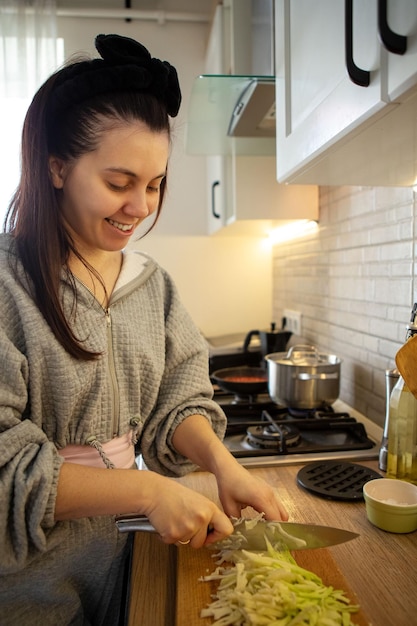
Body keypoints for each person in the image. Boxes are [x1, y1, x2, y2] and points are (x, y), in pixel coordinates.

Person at [0, 34, 289, 625]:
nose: (140, 206)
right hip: (27, 578)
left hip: (125, 550)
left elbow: (179, 398)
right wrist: (150, 492)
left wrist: (222, 463)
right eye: (118, 182)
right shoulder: (10, 284)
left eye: (154, 184)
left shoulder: (151, 285)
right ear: (56, 167)